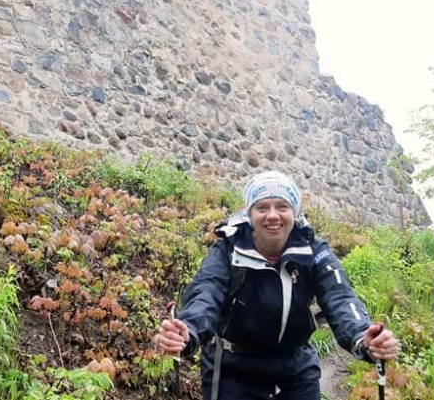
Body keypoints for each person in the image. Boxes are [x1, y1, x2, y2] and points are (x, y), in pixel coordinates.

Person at [153, 171, 398, 400]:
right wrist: (188, 329)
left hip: (296, 368)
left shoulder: (313, 250)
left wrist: (362, 337)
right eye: (262, 207)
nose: (272, 215)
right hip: (232, 368)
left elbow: (340, 297)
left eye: (282, 206)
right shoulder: (228, 249)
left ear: (294, 212)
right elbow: (206, 292)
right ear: (249, 214)